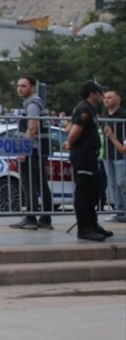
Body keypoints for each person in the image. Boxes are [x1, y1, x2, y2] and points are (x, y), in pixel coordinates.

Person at [65, 80, 109, 242]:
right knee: (84, 193)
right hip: (83, 156)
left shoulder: (88, 109)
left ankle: (93, 224)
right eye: (99, 92)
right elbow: (73, 132)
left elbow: (69, 127)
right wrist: (70, 142)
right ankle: (84, 229)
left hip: (90, 156)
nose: (102, 95)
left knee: (93, 191)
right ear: (92, 94)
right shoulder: (84, 109)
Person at [11, 75, 53, 229]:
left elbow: (33, 128)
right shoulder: (34, 103)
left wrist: (23, 149)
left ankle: (30, 218)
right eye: (18, 86)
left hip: (34, 150)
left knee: (28, 184)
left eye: (24, 86)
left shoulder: (33, 104)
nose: (20, 89)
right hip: (39, 149)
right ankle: (46, 218)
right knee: (41, 184)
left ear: (33, 87)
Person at [100, 88, 126, 223]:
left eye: (110, 97)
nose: (106, 100)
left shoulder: (123, 115)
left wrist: (111, 135)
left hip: (121, 156)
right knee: (113, 184)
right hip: (108, 155)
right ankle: (119, 211)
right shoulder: (104, 117)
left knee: (122, 183)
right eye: (105, 97)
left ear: (118, 100)